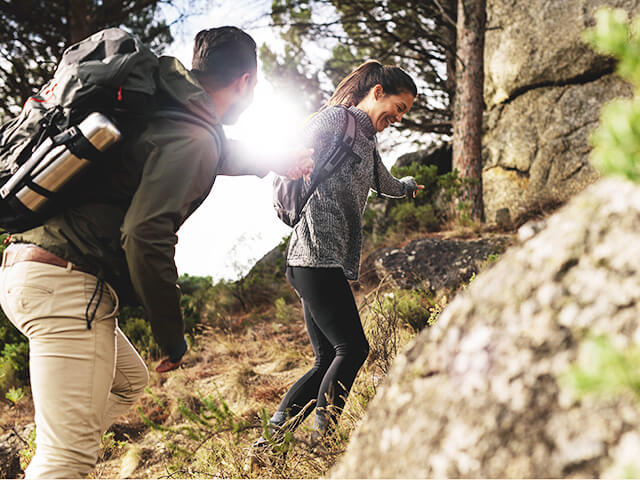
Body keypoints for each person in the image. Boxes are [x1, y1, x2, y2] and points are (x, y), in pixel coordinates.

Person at [0, 26, 312, 478]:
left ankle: (58, 440)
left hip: (29, 270)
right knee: (68, 461)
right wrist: (172, 335)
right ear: (246, 81)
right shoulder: (192, 130)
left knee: (128, 382)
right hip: (69, 286)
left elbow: (210, 151)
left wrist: (273, 159)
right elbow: (145, 235)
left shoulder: (164, 104)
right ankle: (58, 454)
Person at [259, 60, 421, 445]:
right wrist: (295, 159)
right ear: (377, 93)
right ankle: (323, 440)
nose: (398, 117)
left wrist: (409, 185)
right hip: (314, 254)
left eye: (404, 113)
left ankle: (269, 443)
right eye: (398, 108)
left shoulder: (366, 138)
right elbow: (291, 145)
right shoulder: (336, 119)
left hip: (320, 260)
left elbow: (383, 181)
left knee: (328, 357)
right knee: (353, 348)